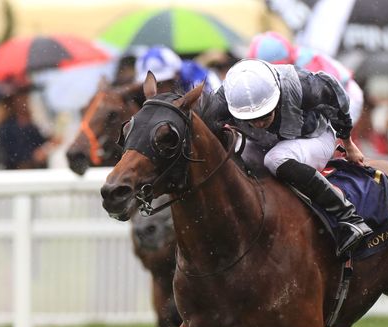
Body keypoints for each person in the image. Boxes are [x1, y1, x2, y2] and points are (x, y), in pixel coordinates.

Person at [212, 59, 372, 257]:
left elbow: (337, 100)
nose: (260, 123)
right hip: (264, 144)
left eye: (265, 115)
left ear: (276, 98)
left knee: (275, 159)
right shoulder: (222, 102)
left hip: (314, 137)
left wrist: (348, 144)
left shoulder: (303, 85)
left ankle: (348, 217)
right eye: (252, 119)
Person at [0, 79, 58, 169]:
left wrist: (50, 144)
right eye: (21, 97)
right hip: (16, 174)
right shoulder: (7, 127)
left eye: (26, 96)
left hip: (38, 172)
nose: (24, 100)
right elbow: (11, 155)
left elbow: (46, 143)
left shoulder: (37, 123)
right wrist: (34, 156)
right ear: (14, 100)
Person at [136, 46, 220, 94]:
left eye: (160, 84)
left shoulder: (203, 79)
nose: (156, 90)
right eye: (151, 84)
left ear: (176, 76)